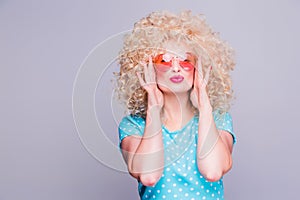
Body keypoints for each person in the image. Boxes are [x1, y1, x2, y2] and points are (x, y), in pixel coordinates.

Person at [115, 10, 236, 200]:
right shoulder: (134, 126)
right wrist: (154, 109)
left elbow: (212, 171)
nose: (176, 67)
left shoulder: (218, 119)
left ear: (200, 66)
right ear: (147, 68)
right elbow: (149, 175)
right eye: (164, 60)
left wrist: (205, 106)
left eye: (185, 60)